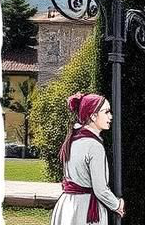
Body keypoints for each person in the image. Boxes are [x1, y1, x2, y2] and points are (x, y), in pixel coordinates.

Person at [50, 92, 125, 225]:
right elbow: (100, 189)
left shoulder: (72, 139)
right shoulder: (94, 146)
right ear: (93, 116)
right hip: (85, 211)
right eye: (106, 112)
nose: (111, 116)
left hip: (67, 206)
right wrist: (117, 205)